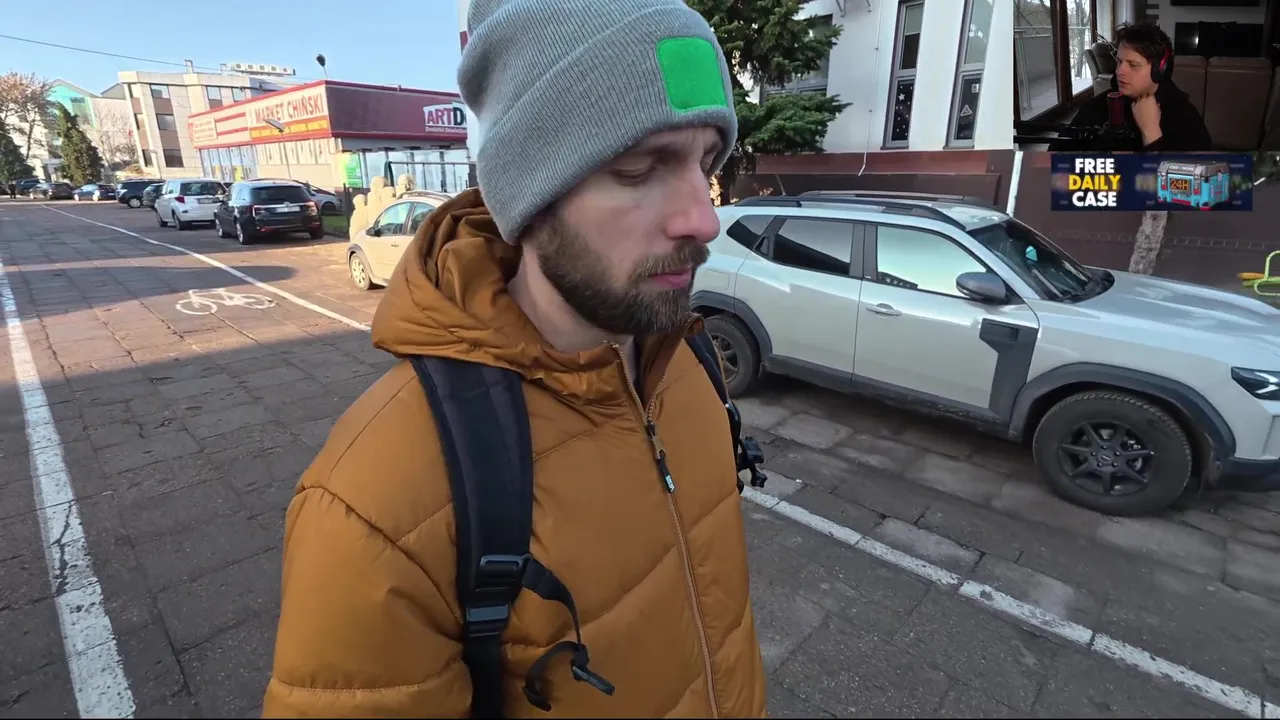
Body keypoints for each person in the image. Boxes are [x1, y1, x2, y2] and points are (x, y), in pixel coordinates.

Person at [261, 0, 768, 717]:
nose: (704, 217)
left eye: (706, 163)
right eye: (638, 167)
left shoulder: (687, 361)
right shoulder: (374, 507)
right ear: (529, 196)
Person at [1061, 21, 1212, 151]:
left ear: (1160, 69)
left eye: (1133, 65)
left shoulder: (1184, 117)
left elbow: (1194, 171)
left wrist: (1152, 134)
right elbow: (1057, 156)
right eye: (1119, 62)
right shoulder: (1096, 106)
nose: (1119, 71)